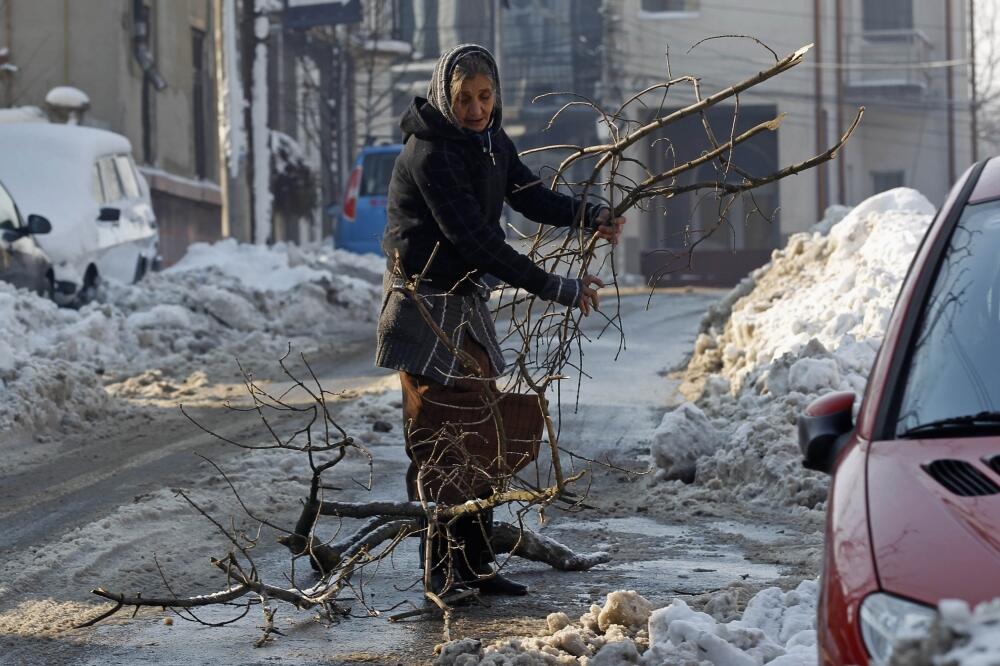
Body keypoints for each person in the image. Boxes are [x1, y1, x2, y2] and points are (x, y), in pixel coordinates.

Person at [376, 43, 625, 597]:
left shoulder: (491, 142)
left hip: (465, 307)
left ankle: (478, 566)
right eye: (464, 98)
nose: (475, 109)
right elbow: (476, 241)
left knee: (481, 436)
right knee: (440, 441)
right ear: (445, 97)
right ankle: (441, 572)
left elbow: (531, 197)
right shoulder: (430, 153)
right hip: (424, 311)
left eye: (484, 96)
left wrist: (590, 214)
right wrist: (554, 286)